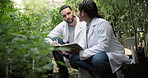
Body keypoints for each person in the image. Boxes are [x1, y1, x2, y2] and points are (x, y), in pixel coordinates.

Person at [69, 0, 130, 78]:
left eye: (78, 12)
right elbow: (83, 44)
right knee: (73, 57)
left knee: (98, 59)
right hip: (93, 53)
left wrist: (82, 53)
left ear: (83, 12)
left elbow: (103, 46)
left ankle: (110, 76)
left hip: (109, 54)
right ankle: (94, 71)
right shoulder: (85, 26)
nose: (77, 15)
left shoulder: (102, 23)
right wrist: (71, 49)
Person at [45, 5, 91, 78]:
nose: (67, 17)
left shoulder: (83, 23)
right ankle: (63, 73)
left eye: (69, 13)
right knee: (55, 40)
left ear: (73, 12)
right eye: (64, 16)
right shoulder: (63, 25)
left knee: (74, 59)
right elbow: (48, 37)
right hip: (68, 50)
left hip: (81, 51)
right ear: (62, 17)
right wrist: (52, 43)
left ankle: (92, 70)